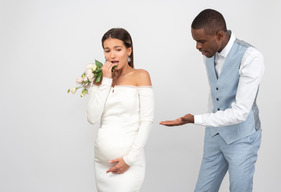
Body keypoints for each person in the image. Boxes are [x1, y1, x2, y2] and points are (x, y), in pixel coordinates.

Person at [160, 9, 264, 192]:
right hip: (215, 136)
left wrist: (195, 119)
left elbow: (241, 112)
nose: (197, 47)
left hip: (242, 137)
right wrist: (210, 126)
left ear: (219, 35)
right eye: (195, 41)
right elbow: (216, 91)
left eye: (201, 41)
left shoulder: (251, 56)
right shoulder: (209, 54)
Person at [86, 28, 154, 192]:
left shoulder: (141, 75)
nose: (112, 55)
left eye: (118, 49)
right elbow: (92, 118)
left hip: (128, 162)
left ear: (128, 50)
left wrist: (129, 160)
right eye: (107, 50)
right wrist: (106, 82)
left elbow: (147, 121)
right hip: (101, 163)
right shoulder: (101, 79)